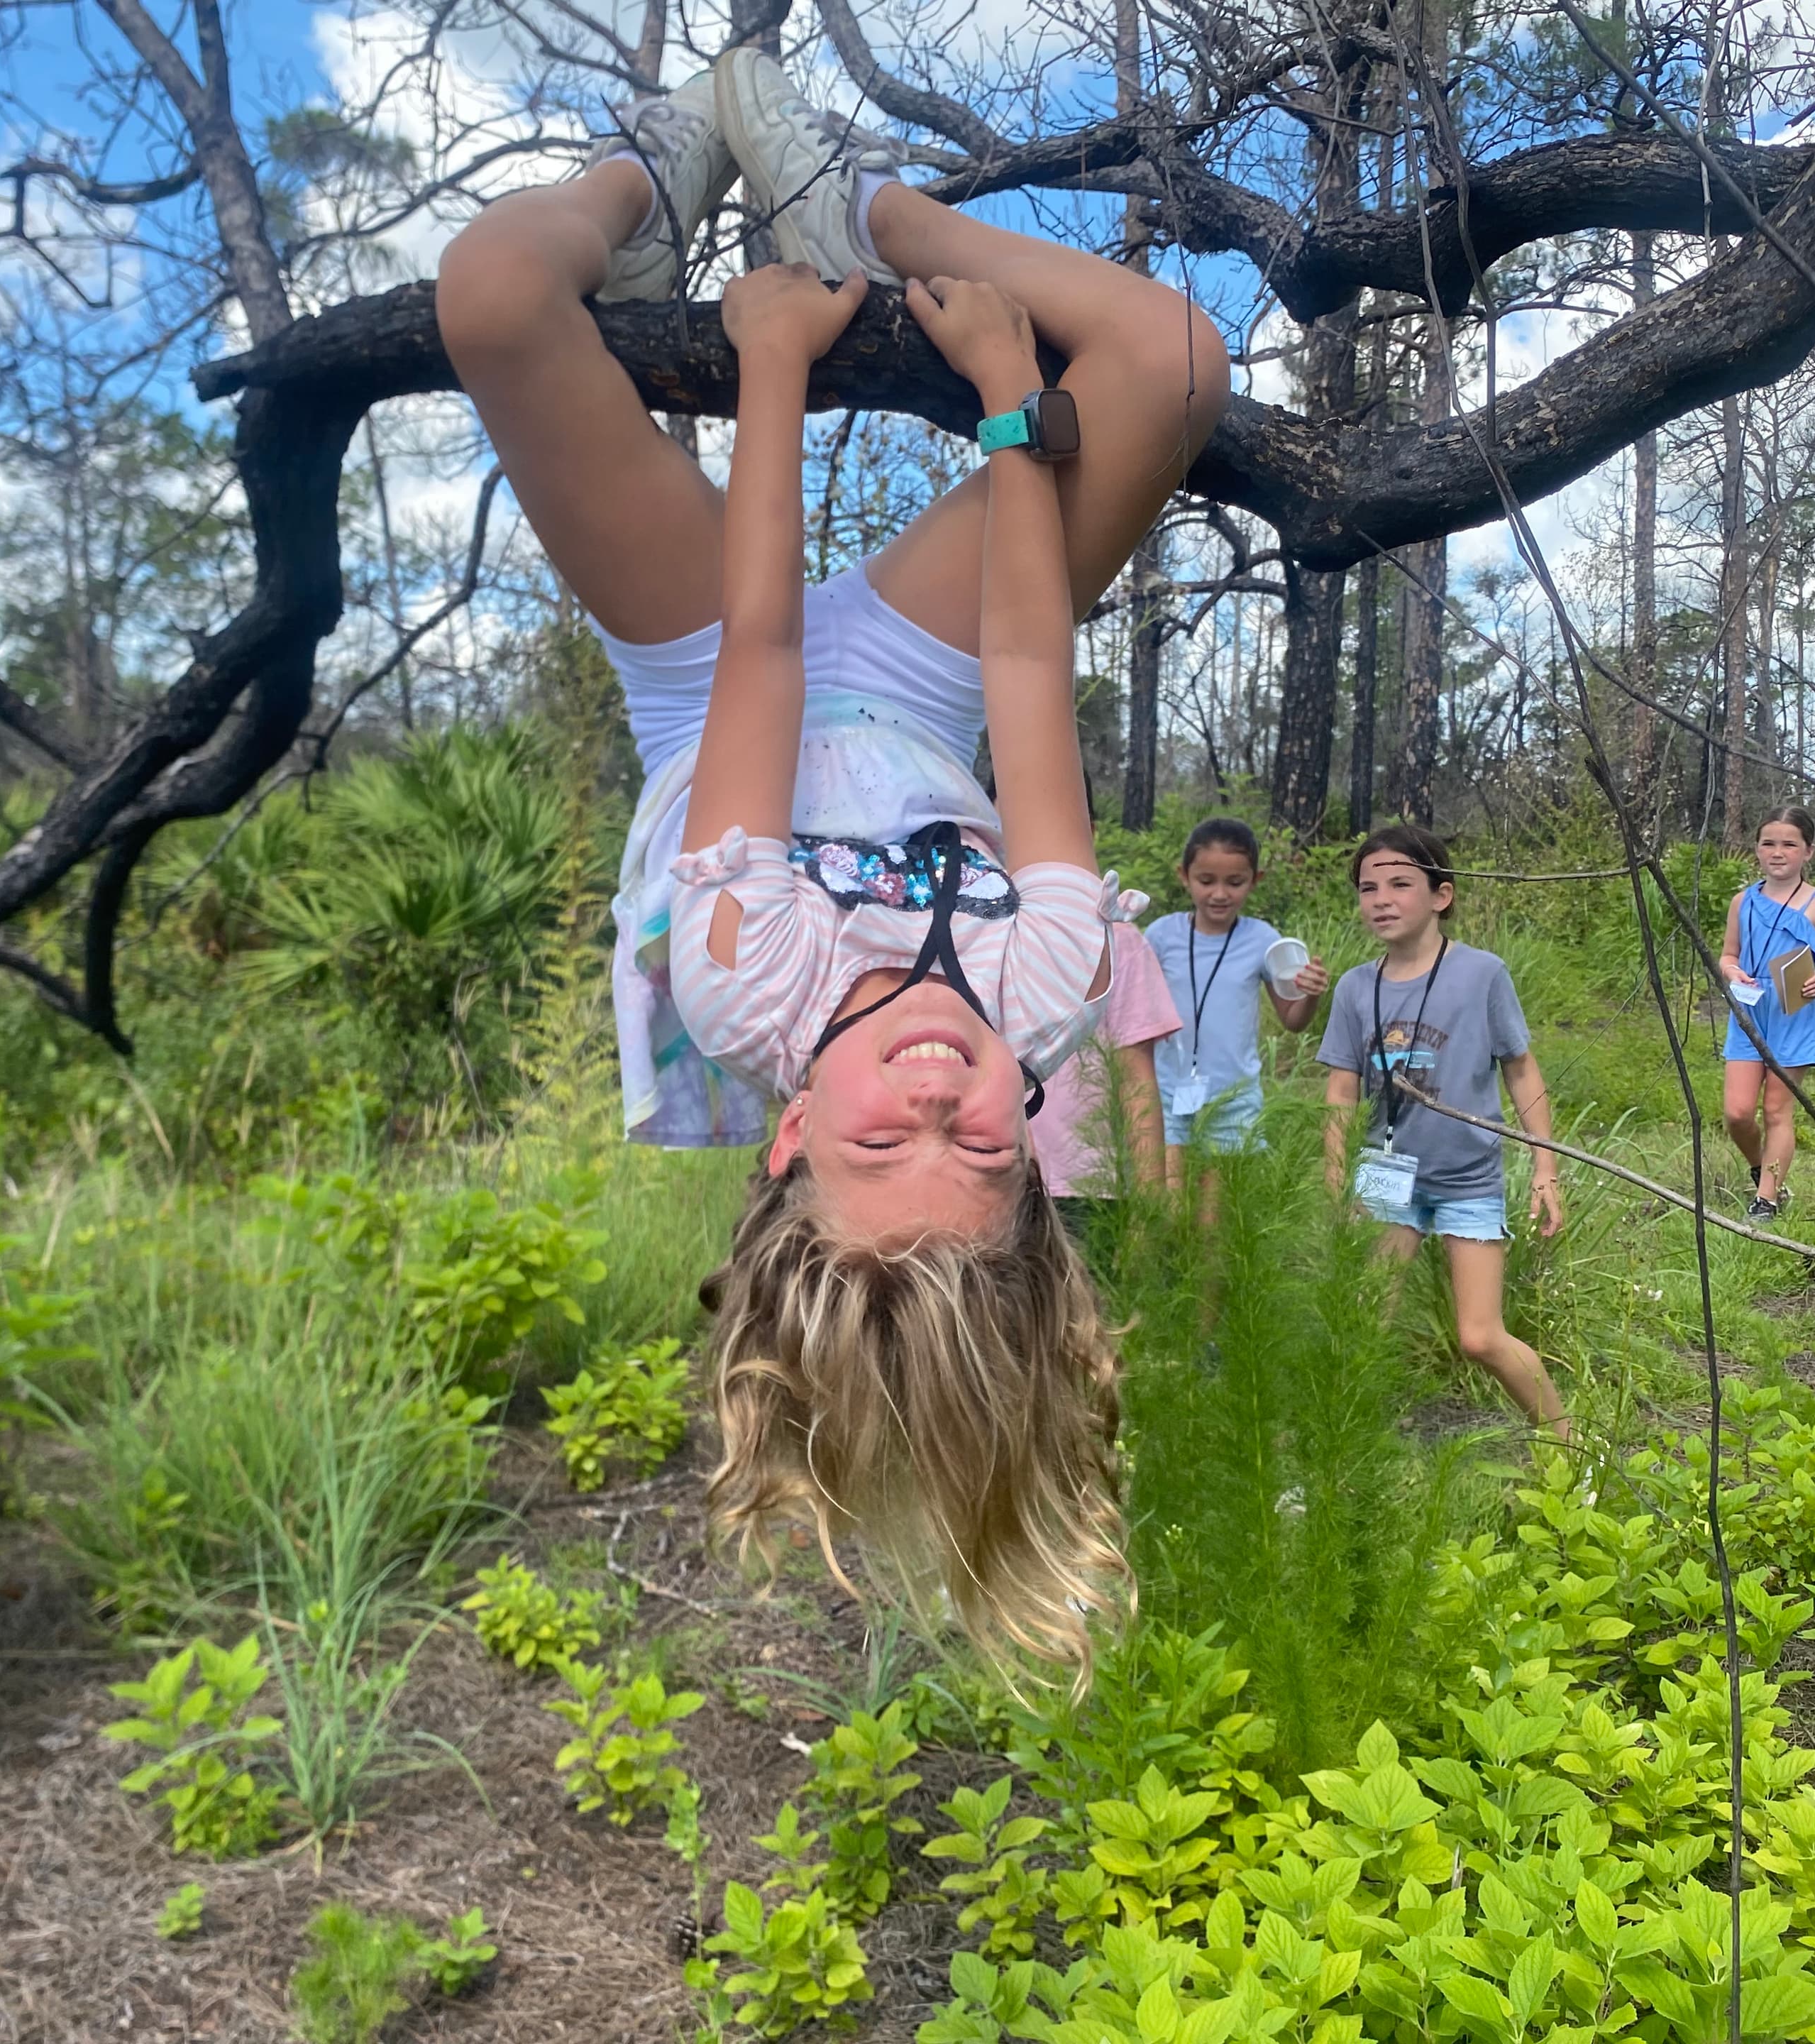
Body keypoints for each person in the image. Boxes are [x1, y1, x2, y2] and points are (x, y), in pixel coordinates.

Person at [435, 49, 1230, 1669]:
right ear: (1032, 1158)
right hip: (936, 682)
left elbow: (760, 652)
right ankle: (864, 209)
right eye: (983, 1152)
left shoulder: (750, 985)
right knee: (1164, 355)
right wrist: (1010, 402)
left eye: (887, 1148)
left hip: (708, 670)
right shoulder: (1042, 985)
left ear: (793, 1132)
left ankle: (645, 179)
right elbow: (1023, 675)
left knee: (495, 294)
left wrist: (775, 361)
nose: (941, 1097)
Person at [1318, 825, 1569, 1442]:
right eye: (1368, 887)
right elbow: (1341, 1093)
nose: (1381, 898)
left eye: (1401, 883)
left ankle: (1574, 1446)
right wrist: (1334, 1179)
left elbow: (1520, 1067)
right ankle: (1351, 1454)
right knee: (1365, 1322)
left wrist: (1545, 1168)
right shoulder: (1355, 988)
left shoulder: (1483, 974)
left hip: (1466, 1177)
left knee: (1479, 1336)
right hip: (1384, 1172)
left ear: (1441, 895)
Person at [1143, 817, 1328, 1186]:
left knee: (1214, 1220)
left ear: (1255, 880)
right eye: (1206, 881)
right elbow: (1135, 1014)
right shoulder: (1162, 935)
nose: (1219, 894)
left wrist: (1310, 995)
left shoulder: (1262, 940)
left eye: (1235, 882)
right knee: (1165, 1203)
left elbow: (1292, 1019)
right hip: (1167, 1091)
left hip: (1233, 1100)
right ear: (1184, 876)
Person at [1717, 806, 1815, 1222]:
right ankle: (1762, 1169)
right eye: (1768, 843)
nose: (1778, 853)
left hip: (1793, 1017)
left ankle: (1767, 1200)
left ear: (1808, 852)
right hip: (1748, 1015)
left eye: (1789, 844)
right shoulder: (1743, 901)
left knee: (1777, 1110)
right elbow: (1728, 954)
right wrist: (1732, 970)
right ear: (1756, 849)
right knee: (1737, 1113)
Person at [1030, 920, 1179, 1244]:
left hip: (1091, 1185)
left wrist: (1148, 1204)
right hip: (997, 1174)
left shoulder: (1117, 939)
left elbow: (1136, 1082)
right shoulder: (978, 929)